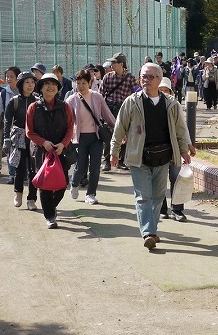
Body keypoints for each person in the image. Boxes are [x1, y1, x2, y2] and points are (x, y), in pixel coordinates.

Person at [111, 62, 192, 250]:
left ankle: (152, 230)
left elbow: (180, 130)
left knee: (157, 196)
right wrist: (114, 151)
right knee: (143, 196)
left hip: (163, 157)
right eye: (143, 77)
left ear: (159, 79)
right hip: (139, 157)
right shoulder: (132, 102)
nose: (146, 80)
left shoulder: (171, 104)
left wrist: (183, 150)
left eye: (150, 77)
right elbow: (119, 128)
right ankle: (148, 232)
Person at [26, 73, 75, 229]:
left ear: (58, 88)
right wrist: (43, 142)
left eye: (53, 84)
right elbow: (30, 131)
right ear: (40, 88)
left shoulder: (65, 106)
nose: (50, 86)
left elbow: (70, 129)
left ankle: (51, 206)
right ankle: (50, 216)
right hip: (41, 151)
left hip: (61, 151)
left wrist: (63, 144)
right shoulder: (33, 107)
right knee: (45, 184)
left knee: (63, 183)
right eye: (46, 83)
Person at [66, 69, 116, 205]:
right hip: (79, 138)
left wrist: (118, 130)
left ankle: (91, 194)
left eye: (83, 83)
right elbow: (67, 121)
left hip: (96, 137)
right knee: (81, 166)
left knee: (95, 167)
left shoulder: (97, 97)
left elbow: (107, 114)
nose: (81, 86)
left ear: (90, 83)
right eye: (78, 83)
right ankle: (74, 184)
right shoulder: (71, 100)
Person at [158, 76, 196, 220]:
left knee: (176, 178)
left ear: (171, 91)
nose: (163, 92)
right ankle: (162, 209)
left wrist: (188, 144)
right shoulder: (151, 105)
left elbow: (182, 128)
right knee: (160, 180)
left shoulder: (175, 105)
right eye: (160, 90)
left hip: (174, 148)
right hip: (157, 149)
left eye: (166, 90)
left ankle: (177, 210)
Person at [4, 72, 39, 211]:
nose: (30, 85)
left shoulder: (37, 101)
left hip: (34, 139)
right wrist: (6, 139)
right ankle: (18, 194)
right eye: (27, 82)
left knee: (34, 170)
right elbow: (7, 121)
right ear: (20, 85)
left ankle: (31, 199)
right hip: (18, 139)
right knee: (19, 168)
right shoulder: (14, 101)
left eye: (32, 82)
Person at [100, 53, 137, 171]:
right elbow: (100, 95)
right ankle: (107, 161)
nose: (112, 65)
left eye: (114, 63)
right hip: (109, 109)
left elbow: (135, 95)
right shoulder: (107, 77)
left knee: (124, 135)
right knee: (108, 136)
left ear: (121, 64)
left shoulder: (130, 78)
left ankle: (121, 160)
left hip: (124, 109)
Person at [0, 66, 21, 184]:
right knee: (9, 150)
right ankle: (12, 175)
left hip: (24, 127)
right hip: (9, 127)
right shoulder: (4, 93)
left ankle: (24, 173)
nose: (8, 79)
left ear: (18, 78)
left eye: (11, 76)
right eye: (7, 76)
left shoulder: (24, 90)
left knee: (24, 151)